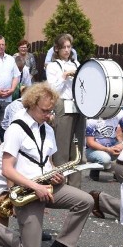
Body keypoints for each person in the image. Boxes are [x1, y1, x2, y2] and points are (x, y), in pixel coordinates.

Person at [0, 83, 93, 247]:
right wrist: (35, 187)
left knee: (86, 201)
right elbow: (7, 169)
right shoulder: (16, 129)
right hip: (27, 190)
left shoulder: (48, 130)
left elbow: (48, 162)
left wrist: (57, 176)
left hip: (47, 186)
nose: (49, 115)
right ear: (32, 104)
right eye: (45, 111)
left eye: (51, 111)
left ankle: (62, 245)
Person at [46, 34, 84, 187]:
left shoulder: (77, 63)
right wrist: (65, 75)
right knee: (61, 148)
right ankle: (59, 185)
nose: (67, 50)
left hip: (78, 105)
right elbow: (53, 89)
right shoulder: (53, 66)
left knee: (77, 147)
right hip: (62, 104)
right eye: (64, 47)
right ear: (57, 49)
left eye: (69, 47)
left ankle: (76, 186)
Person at [84, 112, 123, 182]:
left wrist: (122, 143)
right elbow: (90, 143)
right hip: (93, 150)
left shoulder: (119, 113)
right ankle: (94, 170)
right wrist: (107, 149)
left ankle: (118, 174)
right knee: (105, 159)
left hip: (112, 147)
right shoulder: (92, 119)